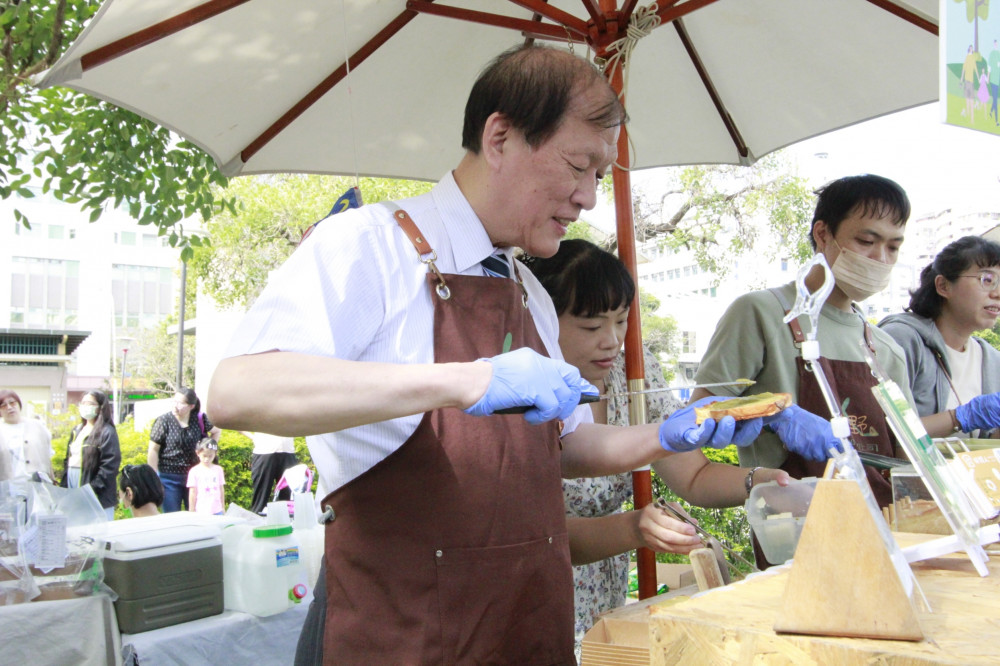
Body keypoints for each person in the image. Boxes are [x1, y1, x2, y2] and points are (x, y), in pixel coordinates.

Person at [209, 45, 772, 664]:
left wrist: (671, 434)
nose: (588, 197)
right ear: (500, 137)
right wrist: (464, 381)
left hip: (527, 630)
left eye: (599, 177)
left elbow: (569, 447)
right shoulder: (370, 245)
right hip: (403, 636)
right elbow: (238, 392)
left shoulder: (527, 287)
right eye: (577, 165)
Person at [525, 239, 791, 654]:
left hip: (606, 607)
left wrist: (764, 482)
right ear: (540, 320)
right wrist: (634, 527)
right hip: (533, 602)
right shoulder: (521, 395)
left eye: (622, 320)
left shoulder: (633, 373)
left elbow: (694, 474)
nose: (612, 341)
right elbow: (539, 535)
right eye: (592, 326)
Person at [691, 174, 917, 565]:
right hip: (794, 538)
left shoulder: (886, 349)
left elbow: (909, 459)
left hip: (882, 541)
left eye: (893, 247)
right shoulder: (762, 313)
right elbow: (699, 412)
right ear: (823, 234)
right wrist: (774, 411)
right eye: (867, 241)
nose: (880, 259)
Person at [879, 235, 1000, 438]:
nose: (997, 293)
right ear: (943, 286)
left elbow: (989, 447)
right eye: (987, 280)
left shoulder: (992, 360)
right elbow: (880, 431)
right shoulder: (902, 340)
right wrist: (959, 418)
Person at [147, 388, 220, 512]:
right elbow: (153, 449)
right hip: (169, 477)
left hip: (195, 476)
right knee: (172, 516)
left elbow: (216, 431)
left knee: (196, 515)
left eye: (180, 403)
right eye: (174, 401)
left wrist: (209, 451)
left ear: (191, 406)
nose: (175, 406)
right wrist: (154, 476)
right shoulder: (164, 421)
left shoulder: (200, 419)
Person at [60, 390, 121, 520]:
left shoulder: (107, 432)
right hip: (74, 483)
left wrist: (91, 490)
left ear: (100, 408)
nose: (85, 406)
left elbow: (109, 467)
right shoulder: (77, 430)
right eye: (83, 403)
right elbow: (67, 460)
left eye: (90, 403)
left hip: (95, 491)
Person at [0, 389, 54, 483]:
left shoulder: (38, 426)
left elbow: (47, 457)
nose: (9, 407)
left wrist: (52, 479)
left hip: (37, 486)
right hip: (8, 488)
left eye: (12, 403)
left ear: (19, 404)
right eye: (3, 406)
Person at [247, 432, 298, 514]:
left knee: (289, 501)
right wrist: (254, 438)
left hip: (288, 452)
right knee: (260, 500)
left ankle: (287, 525)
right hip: (264, 452)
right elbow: (235, 422)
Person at [187, 438, 226, 515]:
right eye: (204, 456)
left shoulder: (218, 470)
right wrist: (191, 510)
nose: (207, 459)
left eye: (210, 456)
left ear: (215, 453)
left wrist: (223, 507)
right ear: (198, 453)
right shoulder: (194, 471)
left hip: (217, 510)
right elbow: (192, 492)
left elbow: (221, 489)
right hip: (201, 511)